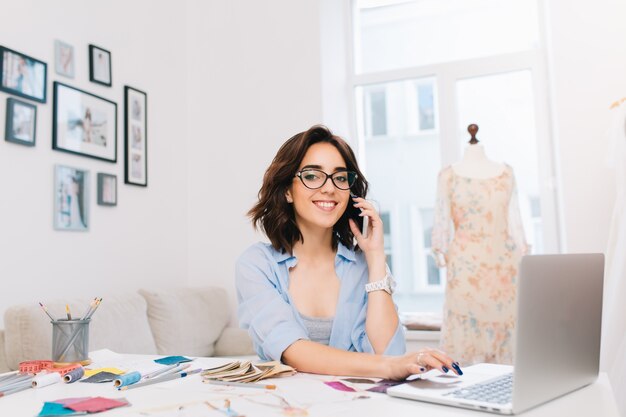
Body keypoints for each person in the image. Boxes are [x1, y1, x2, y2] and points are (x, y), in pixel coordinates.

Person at [236, 125, 462, 379]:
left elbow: (387, 349)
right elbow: (292, 351)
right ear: (288, 190)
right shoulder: (257, 265)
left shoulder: (362, 265)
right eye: (312, 176)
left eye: (340, 177)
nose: (329, 188)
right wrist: (389, 366)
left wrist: (376, 257)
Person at [432, 137, 528, 365]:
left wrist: (523, 246)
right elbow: (441, 223)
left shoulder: (506, 174)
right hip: (466, 270)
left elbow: (515, 220)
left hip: (504, 269)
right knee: (467, 339)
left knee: (506, 339)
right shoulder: (448, 176)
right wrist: (440, 248)